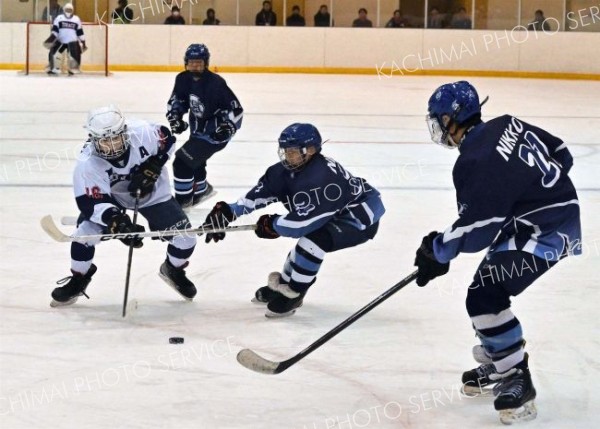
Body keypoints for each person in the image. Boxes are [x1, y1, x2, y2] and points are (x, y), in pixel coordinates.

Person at [415, 81, 581, 424]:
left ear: (450, 119)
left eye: (438, 119)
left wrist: (437, 251)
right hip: (548, 217)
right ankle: (498, 358)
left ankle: (515, 376)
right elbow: (562, 153)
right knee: (484, 292)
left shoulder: (473, 160)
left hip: (544, 232)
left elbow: (477, 229)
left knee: (484, 297)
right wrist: (531, 194)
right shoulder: (507, 123)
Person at [202, 123, 385, 318]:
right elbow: (261, 194)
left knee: (313, 241)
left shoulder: (322, 177)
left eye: (293, 151)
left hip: (358, 218)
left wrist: (271, 225)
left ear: (311, 150)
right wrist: (229, 212)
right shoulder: (283, 172)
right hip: (333, 212)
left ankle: (295, 293)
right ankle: (285, 285)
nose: (288, 156)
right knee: (307, 243)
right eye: (285, 151)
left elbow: (299, 225)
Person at [51, 105, 198, 307]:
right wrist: (117, 223)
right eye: (104, 141)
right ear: (93, 139)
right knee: (83, 236)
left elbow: (168, 139)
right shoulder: (87, 162)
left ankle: (173, 269)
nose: (111, 146)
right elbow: (91, 203)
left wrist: (155, 164)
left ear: (125, 132)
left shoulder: (144, 133)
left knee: (187, 238)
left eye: (116, 139)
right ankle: (79, 278)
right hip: (113, 199)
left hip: (153, 194)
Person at [166, 44, 243, 209]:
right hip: (197, 129)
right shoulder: (182, 79)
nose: (195, 66)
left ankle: (183, 202)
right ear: (186, 62)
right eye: (192, 62)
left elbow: (235, 109)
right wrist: (176, 117)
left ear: (206, 63)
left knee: (182, 162)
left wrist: (227, 127)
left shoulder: (216, 83)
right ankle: (201, 189)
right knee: (196, 161)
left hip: (214, 132)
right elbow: (178, 100)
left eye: (199, 62)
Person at [44, 3, 86, 76]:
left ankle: (73, 68)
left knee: (76, 51)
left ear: (72, 11)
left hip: (72, 42)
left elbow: (80, 32)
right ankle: (53, 67)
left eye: (70, 10)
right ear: (63, 10)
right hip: (60, 41)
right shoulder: (59, 18)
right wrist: (51, 40)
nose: (68, 11)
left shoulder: (76, 19)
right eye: (67, 10)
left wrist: (83, 42)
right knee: (53, 51)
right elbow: (55, 31)